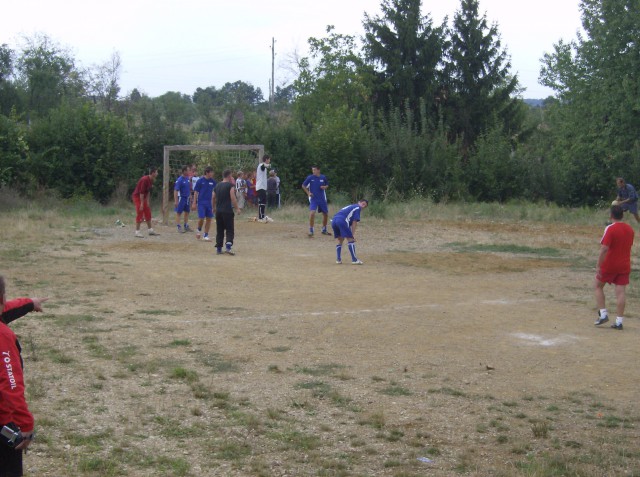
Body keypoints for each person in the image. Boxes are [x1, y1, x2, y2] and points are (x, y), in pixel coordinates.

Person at [0, 276, 37, 477]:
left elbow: (6, 310)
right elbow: (10, 384)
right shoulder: (3, 337)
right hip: (3, 423)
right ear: (3, 298)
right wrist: (25, 424)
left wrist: (29, 304)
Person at [594, 204, 634, 330]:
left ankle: (603, 313)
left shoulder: (610, 228)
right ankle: (619, 321)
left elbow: (604, 248)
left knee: (598, 286)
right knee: (621, 292)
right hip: (624, 264)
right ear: (622, 215)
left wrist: (598, 265)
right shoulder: (630, 229)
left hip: (610, 263)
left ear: (611, 215)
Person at [331, 200, 369, 265]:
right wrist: (352, 235)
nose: (363, 206)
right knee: (350, 239)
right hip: (342, 220)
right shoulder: (357, 207)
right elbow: (354, 222)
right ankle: (354, 259)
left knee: (340, 239)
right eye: (363, 204)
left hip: (334, 221)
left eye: (365, 206)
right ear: (359, 202)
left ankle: (338, 259)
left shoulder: (351, 206)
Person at [213, 169, 241, 255]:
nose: (232, 177)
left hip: (218, 211)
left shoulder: (217, 185)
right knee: (229, 229)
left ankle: (218, 248)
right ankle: (228, 247)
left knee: (220, 229)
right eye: (231, 176)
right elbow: (233, 198)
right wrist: (237, 208)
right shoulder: (230, 185)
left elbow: (213, 197)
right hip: (227, 211)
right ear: (229, 176)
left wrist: (213, 207)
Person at [302, 166, 330, 236]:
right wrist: (308, 193)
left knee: (325, 214)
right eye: (312, 170)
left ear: (318, 170)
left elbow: (327, 185)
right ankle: (311, 230)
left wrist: (325, 187)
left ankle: (324, 229)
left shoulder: (323, 177)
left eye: (314, 170)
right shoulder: (310, 178)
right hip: (314, 198)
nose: (313, 171)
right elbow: (303, 185)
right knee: (312, 213)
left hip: (322, 199)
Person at [132, 168, 160, 238]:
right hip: (137, 197)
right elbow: (141, 193)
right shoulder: (145, 179)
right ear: (153, 173)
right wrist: (141, 203)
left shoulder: (151, 180)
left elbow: (148, 191)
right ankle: (137, 232)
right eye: (156, 172)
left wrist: (147, 201)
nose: (157, 174)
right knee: (140, 212)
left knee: (147, 212)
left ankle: (150, 230)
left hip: (143, 197)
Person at [193, 166, 216, 241]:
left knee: (209, 219)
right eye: (211, 172)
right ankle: (199, 230)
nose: (212, 173)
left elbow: (215, 192)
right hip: (201, 203)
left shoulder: (213, 181)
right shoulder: (200, 181)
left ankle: (205, 235)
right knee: (201, 218)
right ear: (207, 172)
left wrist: (214, 204)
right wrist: (194, 202)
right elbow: (196, 192)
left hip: (209, 203)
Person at [255, 154, 273, 223]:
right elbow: (263, 166)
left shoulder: (263, 167)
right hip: (260, 187)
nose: (269, 161)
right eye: (269, 159)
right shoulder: (261, 165)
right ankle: (261, 217)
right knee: (261, 202)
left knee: (263, 202)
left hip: (262, 187)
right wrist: (269, 165)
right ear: (266, 159)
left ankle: (262, 216)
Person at [174, 165, 192, 233]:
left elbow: (188, 188)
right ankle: (179, 227)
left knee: (187, 212)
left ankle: (186, 225)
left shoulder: (187, 179)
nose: (189, 171)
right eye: (188, 170)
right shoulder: (179, 180)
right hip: (181, 198)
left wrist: (190, 195)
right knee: (179, 212)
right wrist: (176, 201)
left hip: (187, 198)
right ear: (184, 171)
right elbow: (176, 190)